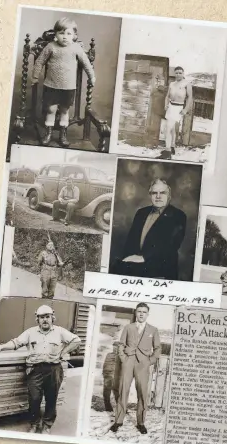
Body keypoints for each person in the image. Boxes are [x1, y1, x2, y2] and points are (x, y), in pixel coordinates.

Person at [0, 305, 81, 434]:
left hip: (54, 370)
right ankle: (34, 424)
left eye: (47, 317)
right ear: (37, 319)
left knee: (51, 399)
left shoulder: (60, 331)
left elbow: (76, 340)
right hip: (35, 370)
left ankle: (47, 425)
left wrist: (63, 352)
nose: (45, 320)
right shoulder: (30, 332)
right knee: (34, 399)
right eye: (41, 317)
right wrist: (1, 348)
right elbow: (16, 342)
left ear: (52, 318)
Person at [32, 17, 96, 148]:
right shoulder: (51, 46)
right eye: (61, 33)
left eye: (68, 34)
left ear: (74, 36)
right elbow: (39, 62)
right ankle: (48, 133)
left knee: (64, 110)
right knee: (51, 109)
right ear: (55, 34)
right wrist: (35, 76)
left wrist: (92, 76)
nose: (65, 37)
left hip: (68, 87)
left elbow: (86, 63)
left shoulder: (76, 48)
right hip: (51, 85)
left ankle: (63, 134)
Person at [110, 178, 186, 280]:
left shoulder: (178, 216)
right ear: (150, 195)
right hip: (135, 269)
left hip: (160, 273)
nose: (158, 196)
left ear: (169, 196)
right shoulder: (141, 213)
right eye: (154, 193)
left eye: (162, 193)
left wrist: (144, 257)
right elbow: (130, 241)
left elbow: (171, 246)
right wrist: (127, 261)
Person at [109, 303, 161, 434]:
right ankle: (118, 421)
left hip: (143, 364)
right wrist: (123, 359)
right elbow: (121, 345)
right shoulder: (128, 327)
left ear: (147, 314)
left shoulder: (153, 330)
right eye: (139, 311)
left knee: (143, 393)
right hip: (128, 362)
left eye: (144, 312)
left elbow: (158, 348)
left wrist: (150, 361)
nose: (141, 314)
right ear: (136, 313)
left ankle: (141, 422)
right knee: (123, 390)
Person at [160, 66, 192, 159]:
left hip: (178, 108)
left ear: (183, 73)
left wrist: (185, 109)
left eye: (180, 73)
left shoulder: (187, 84)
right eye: (177, 73)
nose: (178, 74)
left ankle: (167, 151)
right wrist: (166, 104)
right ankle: (172, 147)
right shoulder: (172, 84)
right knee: (172, 128)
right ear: (175, 74)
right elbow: (167, 96)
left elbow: (190, 97)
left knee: (167, 129)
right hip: (171, 106)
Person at [102, 342, 120, 412]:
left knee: (117, 392)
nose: (115, 349)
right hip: (108, 375)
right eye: (114, 347)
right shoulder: (109, 355)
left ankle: (120, 408)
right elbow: (105, 364)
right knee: (107, 391)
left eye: (117, 347)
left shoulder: (120, 356)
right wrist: (104, 373)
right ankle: (108, 408)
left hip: (114, 376)